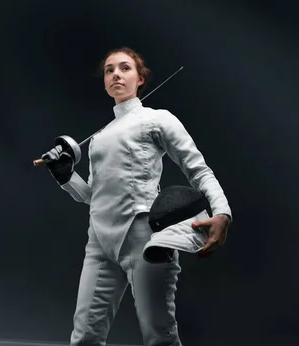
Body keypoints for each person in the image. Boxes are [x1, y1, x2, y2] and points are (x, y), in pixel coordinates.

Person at [41, 47, 232, 346]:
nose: (116, 73)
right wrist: (66, 176)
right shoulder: (99, 139)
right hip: (100, 242)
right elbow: (96, 196)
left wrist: (221, 212)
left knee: (159, 336)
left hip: (144, 237)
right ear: (105, 82)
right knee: (84, 338)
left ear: (140, 78)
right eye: (109, 70)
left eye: (125, 68)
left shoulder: (157, 119)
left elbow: (198, 170)